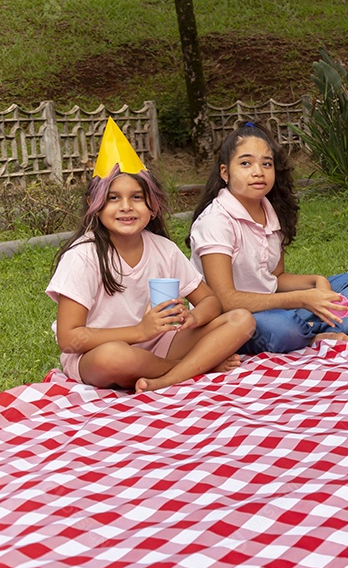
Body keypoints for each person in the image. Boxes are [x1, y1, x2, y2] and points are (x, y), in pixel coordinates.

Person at [46, 118, 254, 393]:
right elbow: (69, 338)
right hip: (97, 354)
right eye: (113, 198)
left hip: (161, 343)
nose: (126, 207)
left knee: (242, 319)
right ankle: (194, 366)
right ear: (94, 206)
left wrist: (192, 318)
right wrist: (140, 332)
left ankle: (167, 377)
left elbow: (210, 302)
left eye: (136, 197)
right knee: (115, 357)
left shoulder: (162, 249)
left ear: (152, 206)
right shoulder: (83, 256)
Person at [189, 122, 348, 354]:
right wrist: (302, 300)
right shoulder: (216, 221)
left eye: (266, 163)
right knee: (284, 328)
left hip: (272, 305)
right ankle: (311, 332)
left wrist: (316, 282)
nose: (258, 172)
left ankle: (307, 329)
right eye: (245, 163)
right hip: (233, 317)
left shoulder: (272, 212)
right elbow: (224, 299)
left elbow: (276, 278)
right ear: (225, 172)